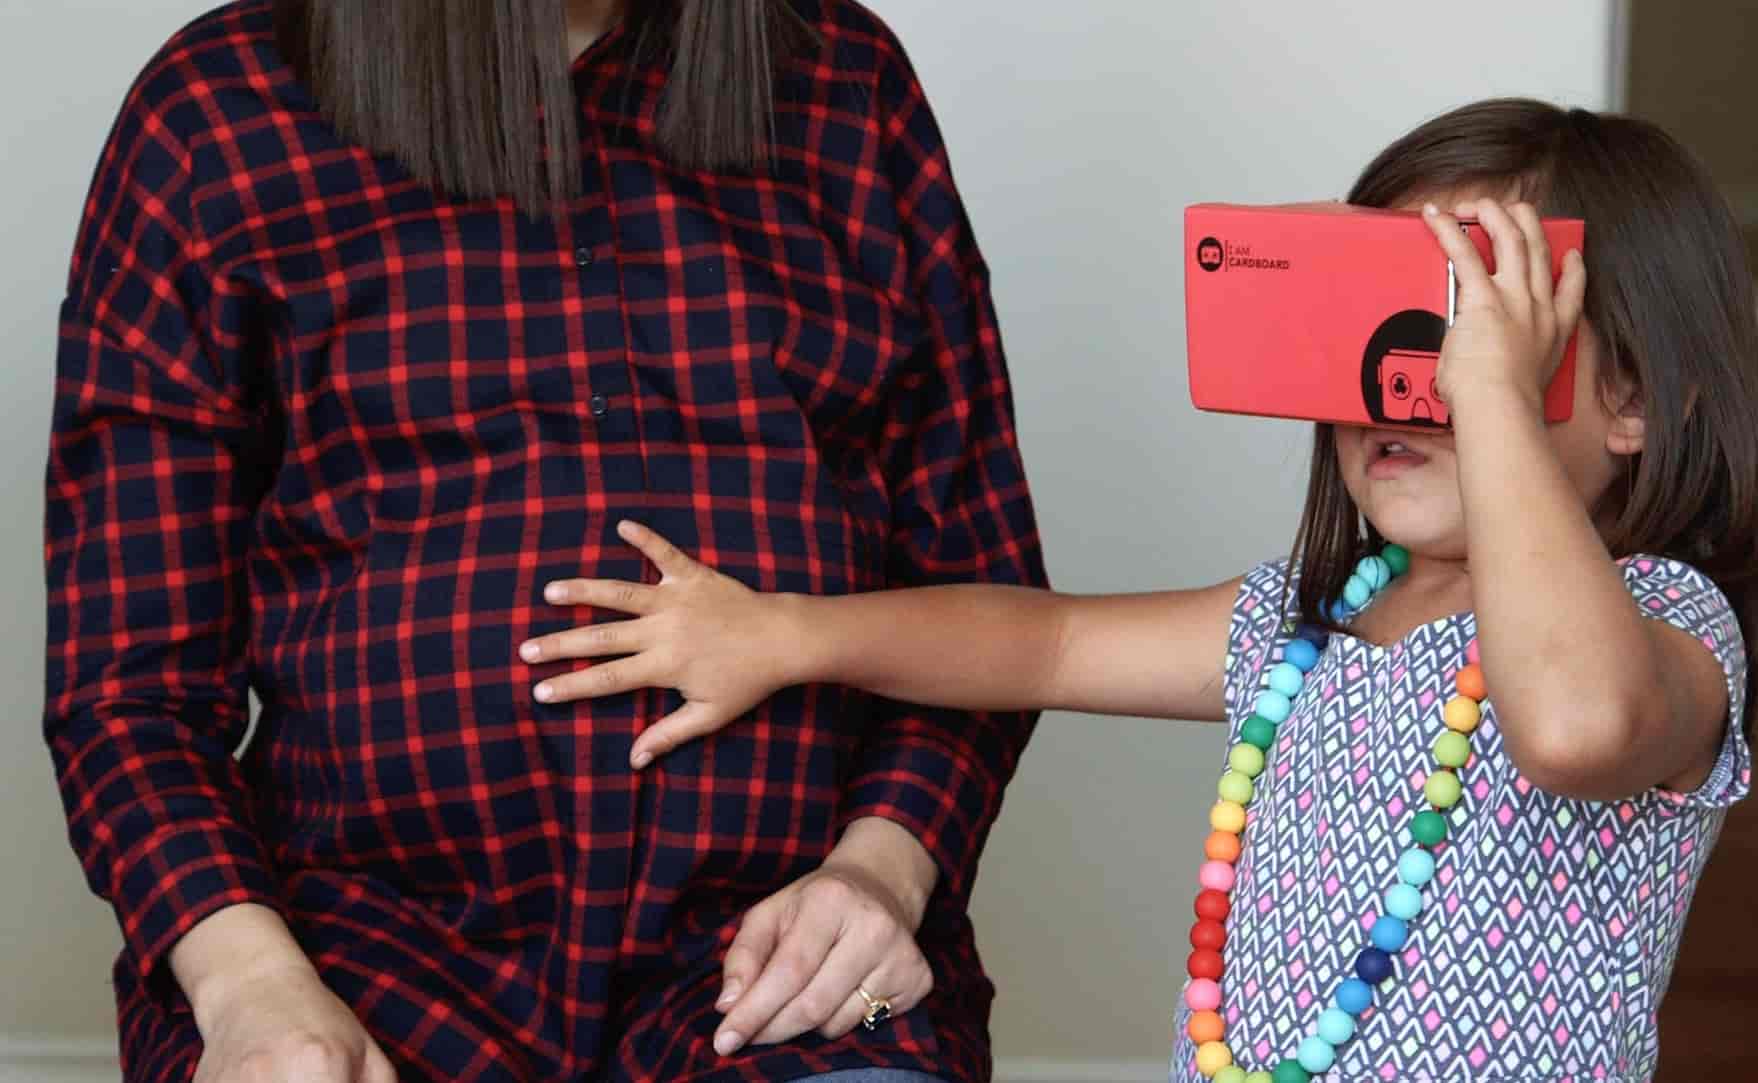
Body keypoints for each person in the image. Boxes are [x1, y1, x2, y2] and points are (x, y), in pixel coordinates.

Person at [520, 100, 1758, 1082]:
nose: (1413, 379)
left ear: (1632, 401)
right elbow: (1051, 644)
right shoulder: (1314, 621)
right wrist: (784, 635)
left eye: (1462, 329)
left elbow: (1571, 726)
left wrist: (1493, 396)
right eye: (1391, 323)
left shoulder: (1668, 629)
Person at [42, 1, 1045, 1080]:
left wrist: (881, 870)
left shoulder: (848, 80)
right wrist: (250, 984)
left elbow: (983, 595)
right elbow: (128, 685)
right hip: (345, 952)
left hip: (785, 955)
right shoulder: (217, 103)